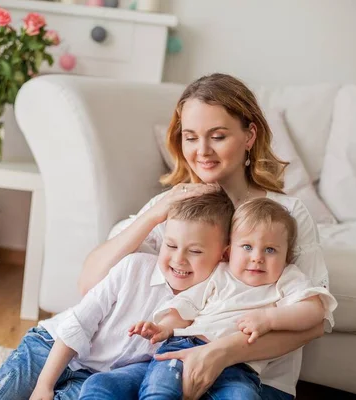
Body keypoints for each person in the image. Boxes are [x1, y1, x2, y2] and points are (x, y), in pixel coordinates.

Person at [80, 73, 332, 399]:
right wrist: (155, 214)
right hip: (170, 367)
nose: (202, 151)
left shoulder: (286, 214)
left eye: (217, 136)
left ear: (249, 135)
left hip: (254, 381)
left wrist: (220, 353)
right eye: (191, 137)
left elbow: (314, 322)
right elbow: (90, 284)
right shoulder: (175, 207)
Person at [0, 191, 234, 400]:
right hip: (52, 346)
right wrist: (44, 385)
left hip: (93, 376)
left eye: (196, 252)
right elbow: (79, 324)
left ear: (223, 254)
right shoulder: (133, 268)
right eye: (172, 245)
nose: (179, 259)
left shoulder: (213, 297)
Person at [130, 198, 337, 399]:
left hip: (240, 365)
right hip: (185, 346)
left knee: (243, 395)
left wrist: (269, 319)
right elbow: (185, 306)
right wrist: (164, 328)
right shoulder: (219, 273)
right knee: (160, 390)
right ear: (228, 252)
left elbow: (314, 311)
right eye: (247, 247)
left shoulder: (287, 278)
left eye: (270, 249)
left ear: (287, 257)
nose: (257, 257)